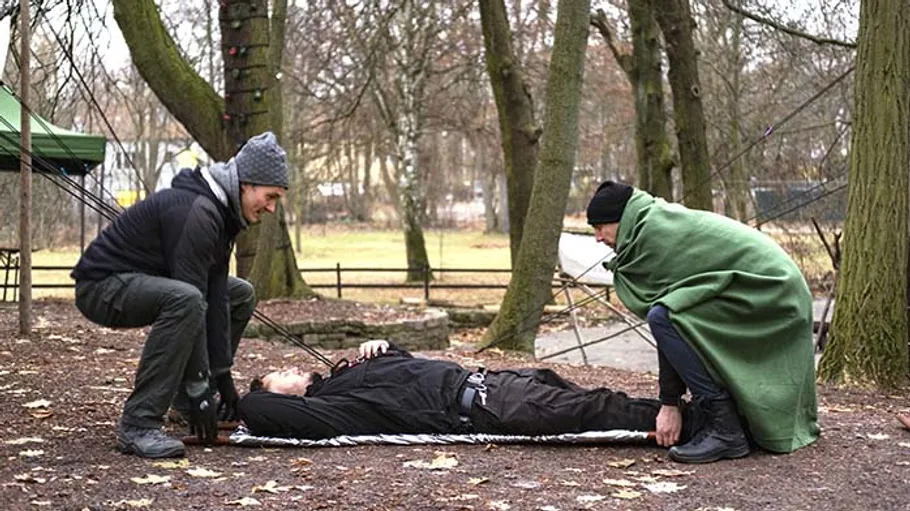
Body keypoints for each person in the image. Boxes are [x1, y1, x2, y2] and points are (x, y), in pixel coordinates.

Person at [72, 131, 290, 459]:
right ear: (247, 183)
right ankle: (138, 424)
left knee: (239, 293)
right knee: (186, 300)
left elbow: (216, 296)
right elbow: (196, 302)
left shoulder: (222, 212)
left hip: (149, 282)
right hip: (102, 287)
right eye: (270, 196)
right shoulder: (198, 213)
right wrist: (201, 385)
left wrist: (221, 376)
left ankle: (184, 404)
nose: (272, 208)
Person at [585, 181, 819, 463]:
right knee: (667, 315)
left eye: (601, 228)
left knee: (664, 316)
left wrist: (669, 403)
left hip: (773, 291)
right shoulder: (650, 221)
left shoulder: (654, 234)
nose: (598, 237)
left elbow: (667, 314)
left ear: (622, 219)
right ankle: (731, 417)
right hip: (763, 288)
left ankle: (726, 430)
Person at [238, 340, 703, 444]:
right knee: (597, 408)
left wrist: (386, 348)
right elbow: (254, 409)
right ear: (283, 398)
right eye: (278, 374)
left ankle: (695, 412)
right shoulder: (330, 410)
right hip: (484, 407)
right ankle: (699, 422)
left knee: (596, 397)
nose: (289, 367)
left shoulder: (343, 374)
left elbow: (409, 372)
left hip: (492, 379)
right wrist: (255, 397)